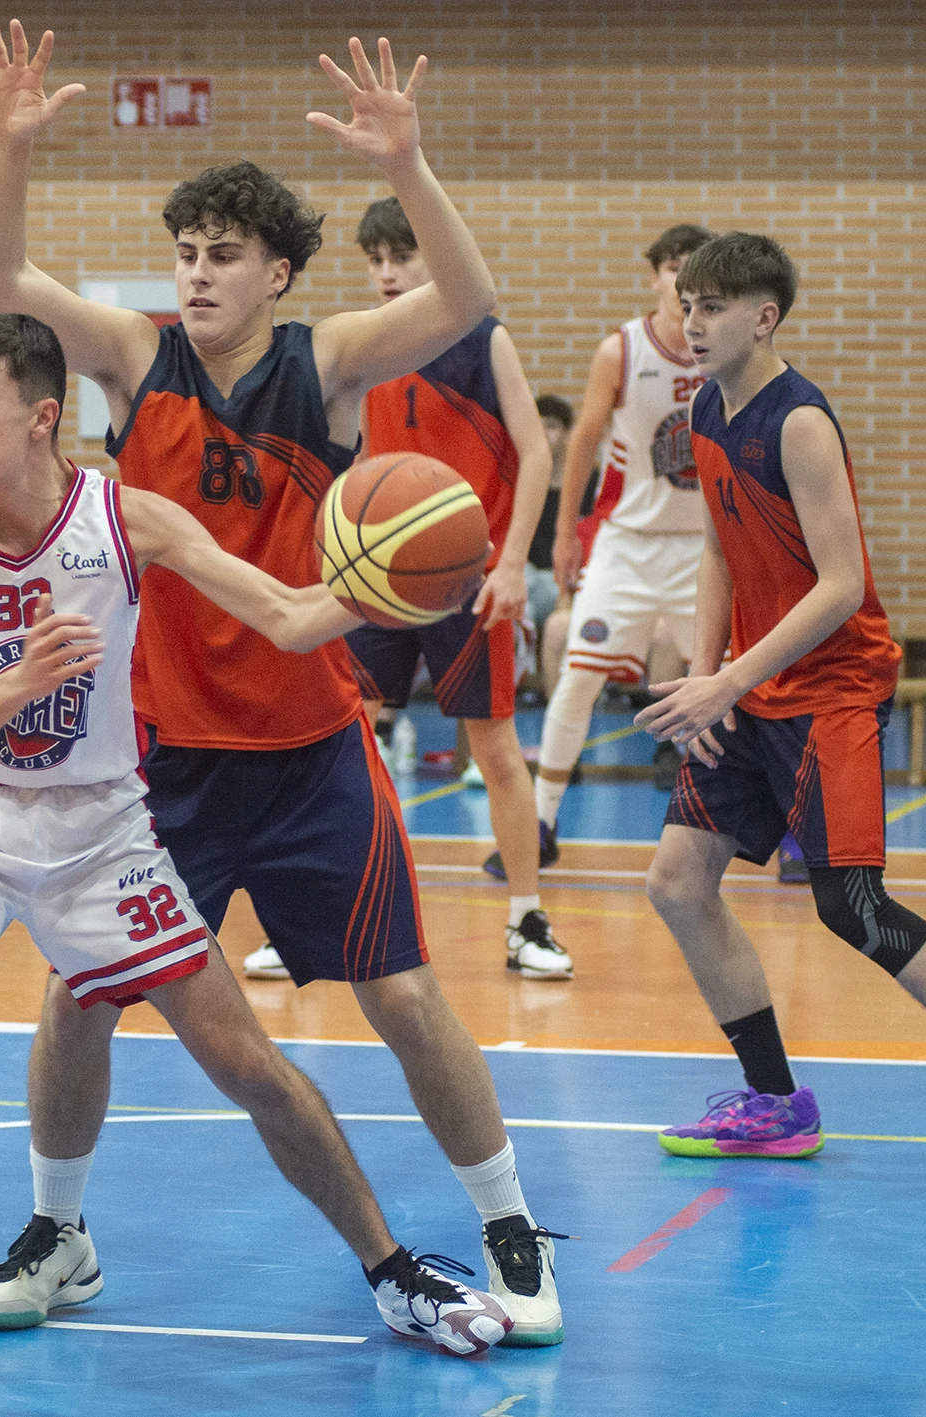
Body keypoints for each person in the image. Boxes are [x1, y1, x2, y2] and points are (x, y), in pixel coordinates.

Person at [0, 315, 512, 1417]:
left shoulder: (127, 518)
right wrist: (22, 677)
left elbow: (289, 618)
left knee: (245, 1060)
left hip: (103, 832)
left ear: (42, 417)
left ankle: (392, 1273)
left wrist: (402, 584)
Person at [0, 22, 565, 1345]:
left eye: (223, 253)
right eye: (186, 251)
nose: (197, 271)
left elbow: (467, 301)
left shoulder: (325, 362)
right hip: (158, 760)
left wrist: (406, 166)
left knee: (402, 998)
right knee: (77, 996)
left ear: (276, 272)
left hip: (307, 750)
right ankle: (59, 1232)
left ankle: (508, 1221)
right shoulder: (133, 358)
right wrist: (8, 146)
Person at [635, 233, 926, 1192]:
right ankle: (774, 1103)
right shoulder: (707, 407)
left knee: (852, 905)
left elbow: (841, 584)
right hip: (749, 686)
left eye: (712, 306)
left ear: (764, 317)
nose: (692, 322)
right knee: (677, 882)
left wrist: (728, 680)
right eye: (686, 305)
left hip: (829, 689)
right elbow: (718, 548)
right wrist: (709, 676)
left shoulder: (798, 422)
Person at [299, 195, 571, 980]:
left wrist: (512, 562)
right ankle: (317, 914)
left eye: (403, 256)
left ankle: (527, 918)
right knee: (342, 739)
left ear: (434, 255)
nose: (387, 273)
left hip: (467, 579)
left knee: (494, 748)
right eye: (375, 260)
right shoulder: (362, 345)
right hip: (376, 577)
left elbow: (536, 453)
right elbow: (348, 462)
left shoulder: (483, 338)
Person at [512, 224, 714, 868]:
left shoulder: (726, 350)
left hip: (705, 551)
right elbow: (582, 443)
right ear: (655, 277)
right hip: (627, 545)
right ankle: (540, 825)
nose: (682, 281)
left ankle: (777, 830)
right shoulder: (622, 349)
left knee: (731, 688)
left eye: (695, 269)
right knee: (578, 678)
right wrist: (566, 533)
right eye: (673, 267)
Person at [523, 394, 577, 689]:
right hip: (528, 575)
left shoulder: (584, 484)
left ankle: (551, 685)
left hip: (563, 577)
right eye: (539, 425)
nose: (545, 433)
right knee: (521, 591)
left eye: (553, 426)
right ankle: (521, 681)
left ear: (567, 434)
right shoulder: (523, 482)